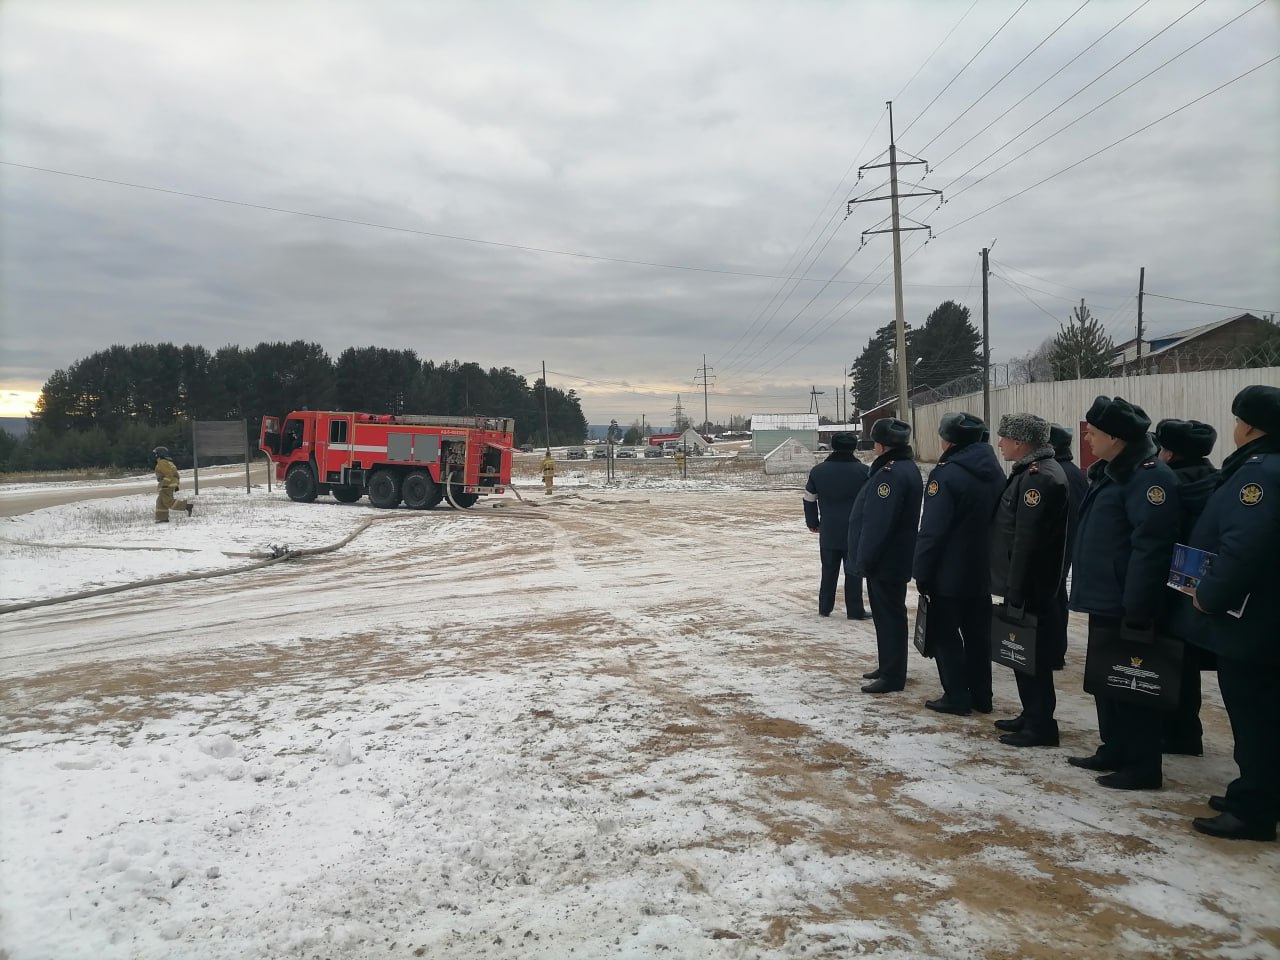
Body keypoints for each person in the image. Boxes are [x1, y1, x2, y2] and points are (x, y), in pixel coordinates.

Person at [1180, 386, 1280, 842]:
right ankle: (1257, 791)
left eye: (1239, 420)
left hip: (1255, 621)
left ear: (1252, 427)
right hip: (1264, 617)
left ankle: (1252, 808)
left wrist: (1208, 595)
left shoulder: (1260, 476)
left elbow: (1243, 547)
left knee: (1254, 713)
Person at [1068, 396, 1180, 791]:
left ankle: (1142, 765)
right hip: (1106, 597)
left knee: (1134, 685)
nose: (1087, 437)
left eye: (1094, 432)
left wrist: (1138, 606)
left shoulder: (1149, 478)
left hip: (1127, 602)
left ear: (1116, 438)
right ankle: (1114, 747)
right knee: (1107, 680)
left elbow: (1150, 546)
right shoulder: (1112, 471)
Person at [912, 412, 1004, 715]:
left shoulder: (947, 473)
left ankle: (956, 695)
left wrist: (921, 570)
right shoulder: (994, 471)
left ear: (948, 440)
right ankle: (982, 696)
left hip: (949, 571)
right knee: (978, 636)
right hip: (982, 568)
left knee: (944, 635)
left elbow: (933, 529)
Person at [990, 414, 1071, 746]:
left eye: (1004, 438)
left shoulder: (1038, 479)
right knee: (1023, 654)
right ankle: (1031, 714)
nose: (1000, 444)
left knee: (1032, 658)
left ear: (1021, 443)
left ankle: (1040, 725)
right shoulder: (1030, 473)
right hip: (1027, 583)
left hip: (1031, 585)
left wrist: (1016, 589)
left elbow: (1026, 540)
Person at [1153, 418, 1221, 758]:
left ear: (1168, 452)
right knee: (1187, 662)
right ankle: (1186, 732)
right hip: (1198, 585)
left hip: (1167, 584)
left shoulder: (1167, 486)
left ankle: (1173, 732)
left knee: (1168, 661)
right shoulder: (1216, 480)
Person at [848, 417, 922, 694]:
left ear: (881, 445)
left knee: (889, 615)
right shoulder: (903, 468)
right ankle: (888, 665)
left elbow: (879, 523)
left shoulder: (890, 474)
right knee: (886, 614)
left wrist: (865, 558)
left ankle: (893, 674)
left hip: (886, 559)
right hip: (892, 557)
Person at [803, 431, 869, 619]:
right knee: (853, 572)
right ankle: (855, 610)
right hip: (855, 531)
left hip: (829, 529)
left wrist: (813, 522)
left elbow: (809, 499)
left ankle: (825, 607)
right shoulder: (864, 472)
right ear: (854, 448)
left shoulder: (818, 471)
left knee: (829, 569)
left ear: (832, 446)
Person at [153, 446, 192, 523]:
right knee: (160, 501)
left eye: (156, 454)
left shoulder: (162, 462)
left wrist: (164, 484)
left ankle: (187, 506)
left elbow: (169, 474)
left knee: (168, 501)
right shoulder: (169, 462)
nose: (155, 455)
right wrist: (176, 485)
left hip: (166, 485)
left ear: (159, 454)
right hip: (171, 484)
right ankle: (162, 518)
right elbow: (176, 475)